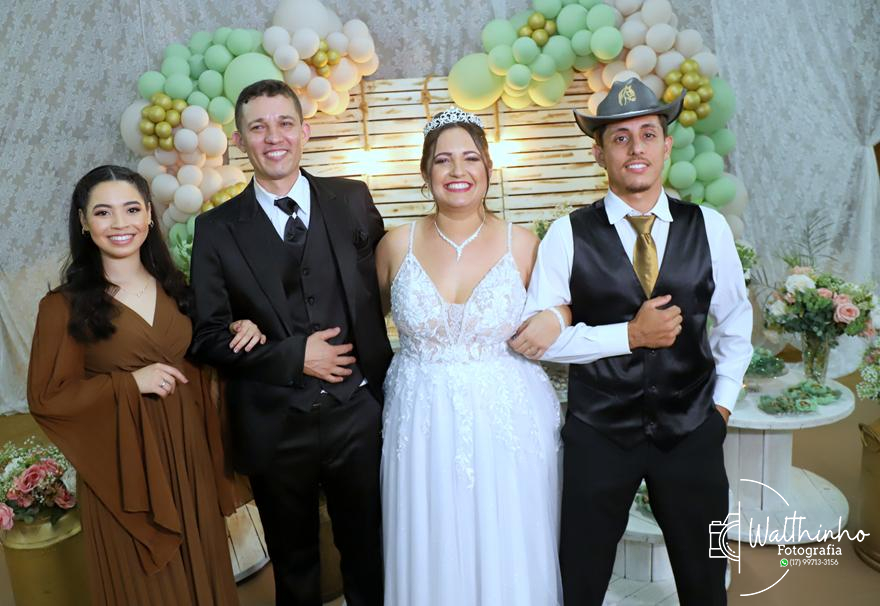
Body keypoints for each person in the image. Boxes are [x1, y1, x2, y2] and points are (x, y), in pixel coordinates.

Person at [511, 77, 753, 605]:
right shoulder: (567, 234)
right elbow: (538, 340)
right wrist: (629, 335)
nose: (635, 147)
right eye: (620, 138)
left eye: (647, 134)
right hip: (598, 434)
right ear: (599, 153)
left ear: (667, 146)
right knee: (580, 580)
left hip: (691, 429)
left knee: (705, 582)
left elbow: (736, 322)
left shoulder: (709, 227)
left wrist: (720, 411)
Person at [189, 79, 392, 606]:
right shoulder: (215, 229)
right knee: (295, 568)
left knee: (371, 555)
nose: (273, 137)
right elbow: (207, 337)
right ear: (239, 141)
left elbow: (389, 288)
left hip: (358, 413)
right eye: (258, 127)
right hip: (274, 425)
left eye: (284, 123)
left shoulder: (353, 200)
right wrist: (293, 354)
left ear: (305, 131)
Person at [28, 165, 265, 605]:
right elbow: (47, 399)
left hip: (191, 457)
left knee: (204, 573)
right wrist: (128, 383)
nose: (120, 223)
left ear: (150, 215)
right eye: (103, 212)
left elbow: (207, 357)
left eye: (132, 209)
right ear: (83, 222)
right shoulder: (62, 307)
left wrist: (240, 328)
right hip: (126, 474)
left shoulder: (180, 290)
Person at [375, 107, 566, 606]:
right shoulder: (394, 245)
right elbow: (364, 317)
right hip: (419, 415)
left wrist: (558, 315)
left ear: (488, 168)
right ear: (425, 172)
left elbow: (562, 307)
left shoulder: (524, 244)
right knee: (428, 531)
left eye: (470, 158)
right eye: (443, 160)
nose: (457, 171)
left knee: (506, 535)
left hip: (505, 416)